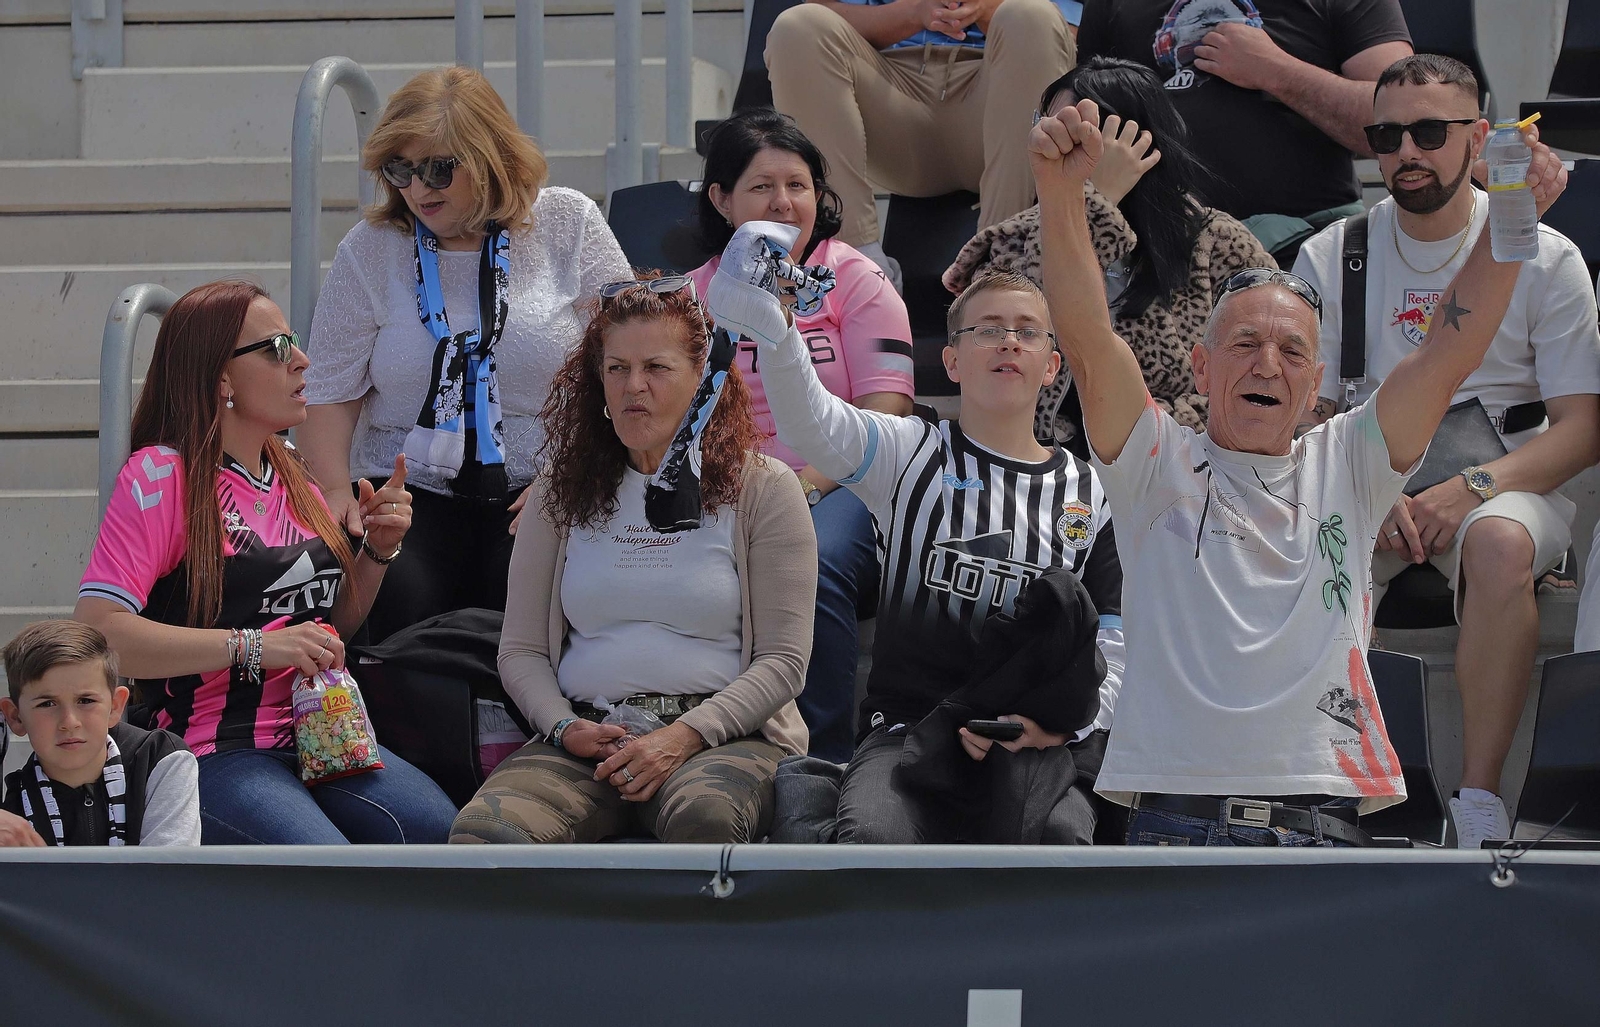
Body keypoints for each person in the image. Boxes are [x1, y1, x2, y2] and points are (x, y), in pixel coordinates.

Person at [1029, 95, 1567, 846]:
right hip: (1176, 822)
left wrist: (1511, 211)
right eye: (1245, 344)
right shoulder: (1153, 459)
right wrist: (1058, 188)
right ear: (1202, 366)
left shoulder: (1350, 458)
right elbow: (1086, 337)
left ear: (1314, 386)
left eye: (1290, 352)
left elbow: (1452, 348)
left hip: (1323, 826)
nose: (1267, 364)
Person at [707, 226, 1126, 844]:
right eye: (986, 328)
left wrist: (1067, 729)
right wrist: (777, 330)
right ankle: (824, 803)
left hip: (1031, 739)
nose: (1008, 340)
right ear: (951, 359)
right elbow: (813, 424)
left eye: (1027, 330)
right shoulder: (909, 452)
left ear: (1051, 366)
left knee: (1064, 846)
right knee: (875, 846)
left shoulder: (1091, 494)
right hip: (905, 728)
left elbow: (1117, 643)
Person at [1293, 55, 1600, 848]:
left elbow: (1582, 428)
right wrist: (1368, 486)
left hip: (1507, 484)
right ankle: (1325, 782)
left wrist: (1469, 486)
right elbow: (1309, 414)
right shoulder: (1335, 253)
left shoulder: (1549, 254)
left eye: (1431, 131)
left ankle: (1478, 801)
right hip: (1368, 477)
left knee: (1499, 543)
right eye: (1387, 134)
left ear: (1480, 136)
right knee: (1316, 537)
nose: (1406, 152)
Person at [74, 280, 458, 845]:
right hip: (211, 746)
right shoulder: (163, 476)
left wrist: (377, 550)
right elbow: (98, 636)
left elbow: (332, 629)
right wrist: (254, 646)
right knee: (326, 866)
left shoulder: (295, 469)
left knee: (442, 838)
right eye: (278, 349)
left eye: (294, 343)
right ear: (222, 376)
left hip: (326, 737)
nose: (302, 360)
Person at [449, 276, 817, 844]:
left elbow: (784, 661)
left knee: (707, 822)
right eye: (616, 368)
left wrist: (687, 734)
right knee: (484, 837)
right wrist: (565, 726)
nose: (632, 387)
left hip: (724, 735)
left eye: (656, 368)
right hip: (588, 730)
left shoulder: (764, 489)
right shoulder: (559, 491)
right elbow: (520, 650)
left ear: (703, 379)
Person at [300, 67, 631, 643]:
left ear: (491, 157)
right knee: (396, 592)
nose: (418, 187)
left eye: (437, 168)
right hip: (405, 489)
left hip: (545, 482)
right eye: (400, 170)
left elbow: (633, 362)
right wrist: (333, 494)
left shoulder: (567, 223)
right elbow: (329, 392)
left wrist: (578, 475)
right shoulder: (370, 250)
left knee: (537, 587)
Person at [688, 108, 914, 763]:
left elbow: (888, 413)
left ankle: (821, 762)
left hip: (845, 484)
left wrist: (801, 487)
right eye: (762, 187)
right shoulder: (694, 296)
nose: (784, 202)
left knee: (806, 557)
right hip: (728, 489)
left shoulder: (855, 280)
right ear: (722, 200)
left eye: (799, 184)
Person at [943, 55, 1275, 449]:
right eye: (1046, 125)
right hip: (1045, 461)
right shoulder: (1015, 237)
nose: (1055, 142)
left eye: (1074, 131)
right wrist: (1093, 207)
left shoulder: (1218, 242)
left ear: (1137, 141)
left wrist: (1159, 438)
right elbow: (1021, 333)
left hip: (1172, 461)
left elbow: (1255, 370)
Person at [765, 0, 1080, 286]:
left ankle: (1003, 263)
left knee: (1031, 14)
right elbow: (826, 13)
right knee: (797, 26)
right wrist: (916, 11)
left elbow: (1073, 34)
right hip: (889, 102)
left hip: (998, 106)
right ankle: (856, 266)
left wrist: (984, 9)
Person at [1077, 0, 1413, 262]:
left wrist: (1276, 72)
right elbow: (1081, 120)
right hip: (1160, 256)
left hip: (1307, 250)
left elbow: (1404, 119)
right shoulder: (1110, 6)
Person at [1, 621, 199, 848]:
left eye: (86, 701)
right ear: (16, 717)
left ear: (115, 706)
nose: (69, 723)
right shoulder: (12, 820)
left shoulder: (162, 761)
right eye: (47, 704)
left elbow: (167, 877)